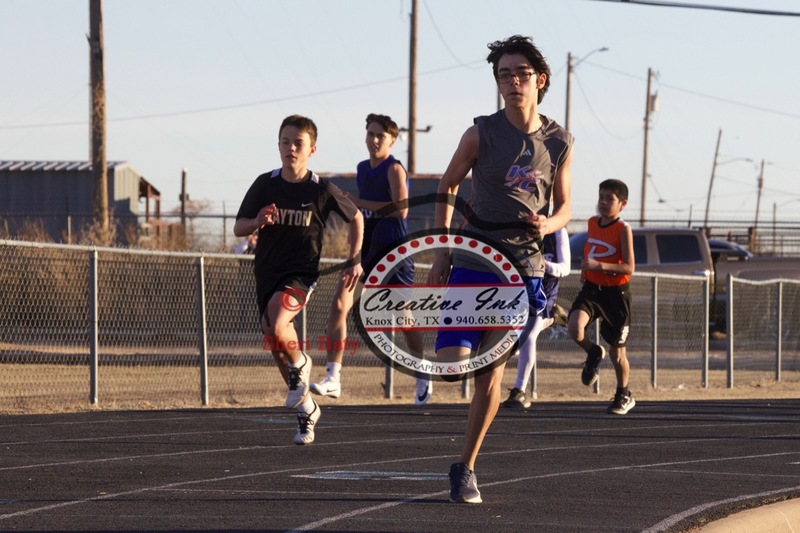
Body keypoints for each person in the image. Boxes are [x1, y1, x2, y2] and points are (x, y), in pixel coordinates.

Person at [427, 35, 573, 503]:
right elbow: (448, 186)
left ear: (540, 81)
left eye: (521, 74)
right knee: (454, 369)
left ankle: (466, 467)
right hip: (473, 259)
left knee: (490, 373)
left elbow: (568, 206)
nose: (513, 81)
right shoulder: (479, 134)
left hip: (523, 267)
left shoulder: (560, 141)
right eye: (504, 74)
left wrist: (548, 222)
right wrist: (442, 250)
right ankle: (461, 371)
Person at [233, 114, 363, 445]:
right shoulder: (266, 183)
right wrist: (257, 221)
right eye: (285, 142)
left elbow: (357, 217)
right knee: (274, 338)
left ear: (312, 150)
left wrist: (354, 259)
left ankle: (301, 361)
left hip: (301, 273)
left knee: (277, 324)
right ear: (278, 145)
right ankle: (306, 407)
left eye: (298, 143)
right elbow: (239, 227)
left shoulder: (320, 188)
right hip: (266, 272)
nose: (291, 148)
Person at [311, 113, 432, 405]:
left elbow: (402, 210)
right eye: (370, 134)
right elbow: (360, 213)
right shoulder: (362, 168)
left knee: (403, 318)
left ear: (392, 140)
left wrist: (360, 202)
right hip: (367, 251)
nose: (374, 140)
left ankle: (422, 372)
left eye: (380, 135)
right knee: (339, 303)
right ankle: (333, 377)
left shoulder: (394, 169)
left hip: (394, 254)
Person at [567, 178, 635, 415]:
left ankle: (623, 393)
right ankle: (593, 352)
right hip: (592, 289)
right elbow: (590, 250)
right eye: (601, 197)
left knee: (618, 353)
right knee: (574, 327)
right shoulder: (592, 223)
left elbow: (628, 267)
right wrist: (587, 272)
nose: (604, 203)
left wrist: (599, 266)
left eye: (610, 199)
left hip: (616, 295)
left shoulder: (623, 229)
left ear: (622, 204)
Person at [501, 226, 570, 408]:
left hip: (544, 292)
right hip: (517, 290)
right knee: (507, 340)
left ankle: (519, 391)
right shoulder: (517, 227)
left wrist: (541, 264)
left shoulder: (557, 232)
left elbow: (565, 268)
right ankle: (552, 317)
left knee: (529, 337)